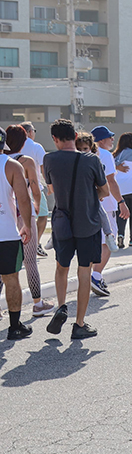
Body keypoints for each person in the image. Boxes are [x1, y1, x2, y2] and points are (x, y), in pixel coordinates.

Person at [43, 119, 108, 340]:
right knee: (84, 272)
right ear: (75, 137)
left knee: (62, 267)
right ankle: (79, 324)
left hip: (62, 222)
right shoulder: (92, 159)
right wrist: (90, 198)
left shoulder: (49, 159)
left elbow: (51, 189)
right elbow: (105, 191)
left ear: (55, 139)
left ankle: (61, 306)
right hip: (88, 223)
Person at [5, 125, 54, 317]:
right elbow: (34, 188)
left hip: (6, 215)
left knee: (5, 262)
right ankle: (38, 303)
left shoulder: (4, 162)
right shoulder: (25, 161)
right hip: (23, 214)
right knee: (30, 260)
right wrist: (36, 205)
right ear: (24, 141)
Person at [0, 128, 35, 340]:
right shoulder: (12, 165)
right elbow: (24, 199)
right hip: (7, 233)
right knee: (11, 278)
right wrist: (27, 226)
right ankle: (14, 327)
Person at [89, 126, 130, 297]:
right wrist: (121, 202)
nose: (112, 139)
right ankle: (96, 276)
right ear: (99, 140)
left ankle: (93, 275)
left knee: (94, 243)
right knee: (108, 242)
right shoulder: (104, 154)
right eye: (109, 137)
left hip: (89, 204)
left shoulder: (86, 154)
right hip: (106, 205)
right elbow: (111, 181)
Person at [19, 121, 49, 258]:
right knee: (42, 215)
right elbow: (44, 168)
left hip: (16, 188)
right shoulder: (36, 147)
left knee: (20, 217)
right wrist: (49, 185)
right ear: (30, 132)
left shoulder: (14, 146)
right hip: (34, 186)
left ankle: (23, 243)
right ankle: (35, 243)